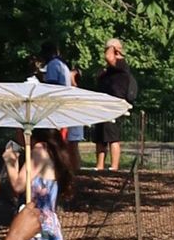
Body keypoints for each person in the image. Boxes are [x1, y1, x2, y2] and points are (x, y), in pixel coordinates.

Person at [93, 39, 137, 171]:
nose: (106, 52)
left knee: (112, 136)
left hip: (115, 105)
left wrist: (112, 48)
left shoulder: (121, 63)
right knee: (100, 137)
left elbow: (109, 56)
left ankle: (114, 166)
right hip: (104, 104)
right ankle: (99, 166)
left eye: (108, 48)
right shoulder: (110, 69)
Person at [40, 40, 83, 177]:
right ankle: (71, 167)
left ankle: (62, 167)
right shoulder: (62, 64)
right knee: (67, 141)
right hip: (64, 105)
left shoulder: (53, 65)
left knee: (58, 139)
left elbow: (52, 87)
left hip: (57, 107)